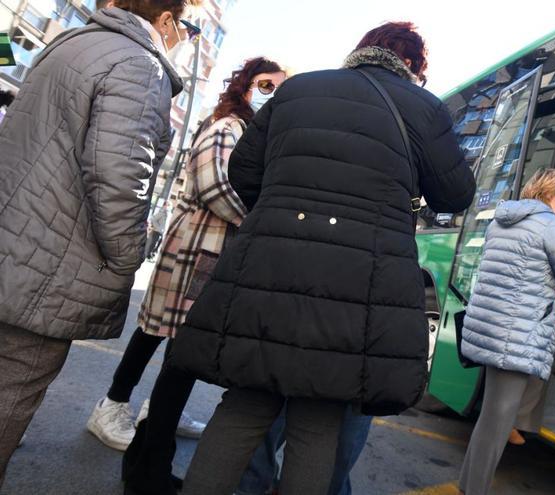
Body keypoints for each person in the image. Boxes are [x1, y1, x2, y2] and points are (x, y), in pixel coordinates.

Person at [168, 21, 476, 495]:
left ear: (360, 51)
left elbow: (242, 171)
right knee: (319, 419)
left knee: (244, 406)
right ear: (412, 64)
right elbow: (455, 193)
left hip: (269, 266)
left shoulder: (298, 91)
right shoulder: (424, 108)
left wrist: (282, 212)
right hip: (358, 283)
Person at [0, 0, 192, 485]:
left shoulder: (75, 43)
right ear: (166, 20)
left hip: (14, 249)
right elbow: (119, 179)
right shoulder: (139, 64)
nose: (186, 37)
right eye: (186, 26)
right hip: (46, 269)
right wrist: (129, 255)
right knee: (8, 399)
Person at [103, 57, 285, 494]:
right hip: (197, 254)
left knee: (179, 361)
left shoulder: (249, 132)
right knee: (181, 360)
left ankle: (145, 458)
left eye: (278, 88)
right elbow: (214, 187)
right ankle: (148, 469)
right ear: (244, 85)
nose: (270, 93)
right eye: (264, 84)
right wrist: (258, 220)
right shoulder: (228, 128)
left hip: (208, 255)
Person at [457, 168, 555, 495]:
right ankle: (473, 488)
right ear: (550, 195)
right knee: (494, 424)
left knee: (498, 412)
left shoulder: (502, 221)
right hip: (517, 334)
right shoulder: (553, 227)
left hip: (493, 327)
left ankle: (516, 430)